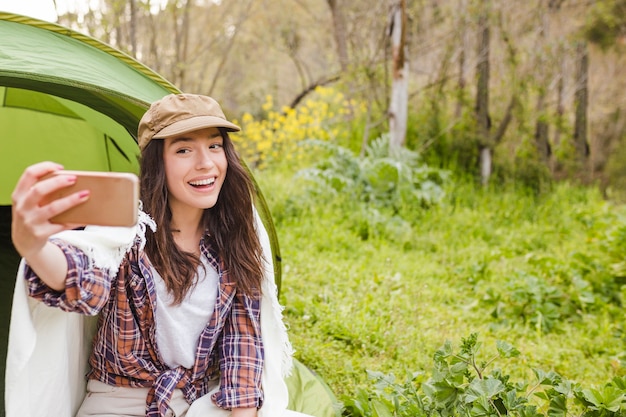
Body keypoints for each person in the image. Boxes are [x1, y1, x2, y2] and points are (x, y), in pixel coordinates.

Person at [9, 94, 300, 417]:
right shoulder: (128, 234)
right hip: (119, 404)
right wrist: (33, 245)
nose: (205, 163)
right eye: (184, 150)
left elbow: (242, 348)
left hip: (199, 403)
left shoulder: (233, 237)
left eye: (215, 146)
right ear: (157, 163)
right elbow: (84, 280)